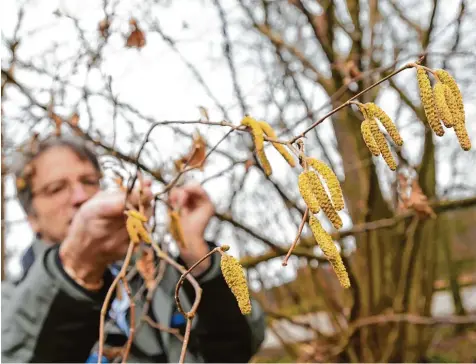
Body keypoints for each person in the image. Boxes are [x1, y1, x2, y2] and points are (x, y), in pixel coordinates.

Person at [1, 135, 265, 363]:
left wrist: (197, 255)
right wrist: (77, 270)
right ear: (31, 217)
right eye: (57, 188)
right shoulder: (8, 304)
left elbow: (239, 349)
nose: (80, 196)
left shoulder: (163, 277)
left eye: (89, 181)